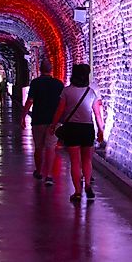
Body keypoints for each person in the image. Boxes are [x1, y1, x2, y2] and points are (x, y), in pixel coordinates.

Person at [51, 63, 105, 202]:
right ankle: (87, 184)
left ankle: (78, 192)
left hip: (72, 128)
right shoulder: (91, 92)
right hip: (87, 128)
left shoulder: (67, 91)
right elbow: (97, 114)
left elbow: (60, 110)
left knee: (75, 162)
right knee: (87, 160)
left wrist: (53, 125)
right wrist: (100, 130)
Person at [21, 56, 64, 185]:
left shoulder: (35, 83)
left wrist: (23, 116)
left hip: (38, 119)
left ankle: (39, 171)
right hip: (54, 121)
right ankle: (49, 175)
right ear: (51, 70)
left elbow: (30, 101)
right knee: (51, 148)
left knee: (39, 147)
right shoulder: (59, 84)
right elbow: (62, 103)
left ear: (40, 70)